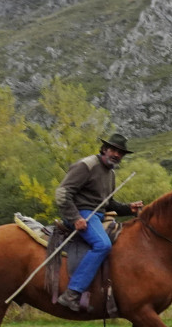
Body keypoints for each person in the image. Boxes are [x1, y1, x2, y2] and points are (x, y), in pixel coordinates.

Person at [54, 133, 144, 312]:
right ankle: (72, 293)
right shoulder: (86, 165)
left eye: (121, 153)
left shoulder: (110, 173)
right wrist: (75, 218)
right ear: (104, 149)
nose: (117, 155)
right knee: (103, 245)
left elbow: (108, 204)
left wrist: (128, 209)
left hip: (97, 216)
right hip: (82, 214)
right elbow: (62, 193)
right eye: (114, 150)